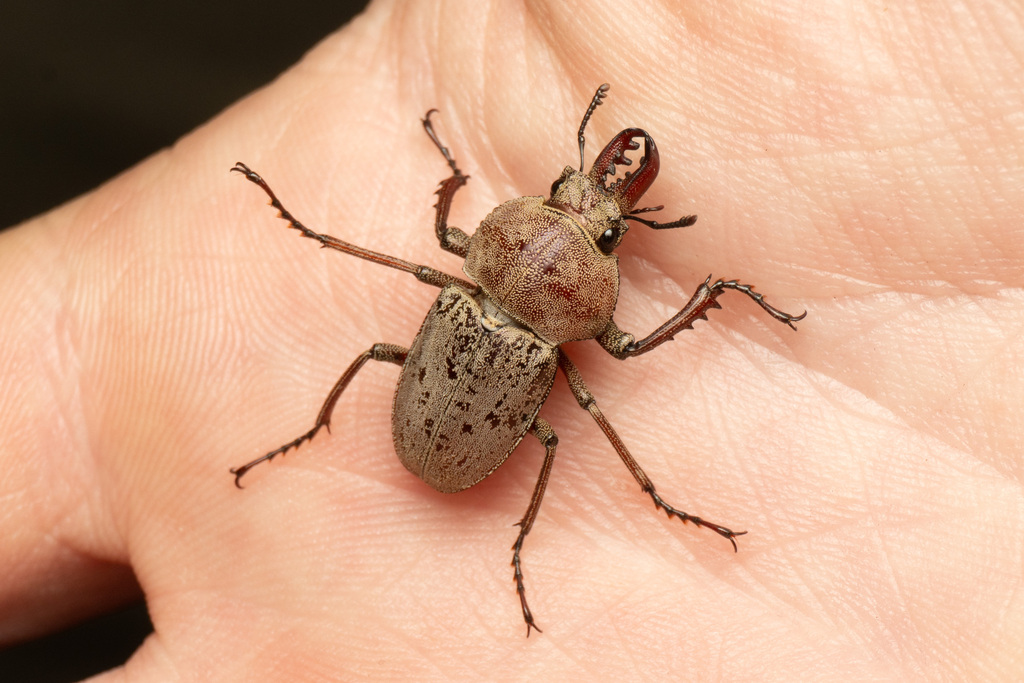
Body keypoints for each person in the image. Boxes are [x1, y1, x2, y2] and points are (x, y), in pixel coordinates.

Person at [2, 1, 1021, 678]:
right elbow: (598, 332)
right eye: (571, 198)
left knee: (523, 403)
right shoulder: (542, 312)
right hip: (479, 415)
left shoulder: (485, 272)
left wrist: (439, 170)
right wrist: (710, 292)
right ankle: (567, 514)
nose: (585, 199)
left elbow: (462, 236)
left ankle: (579, 518)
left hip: (467, 410)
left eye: (593, 214)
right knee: (553, 420)